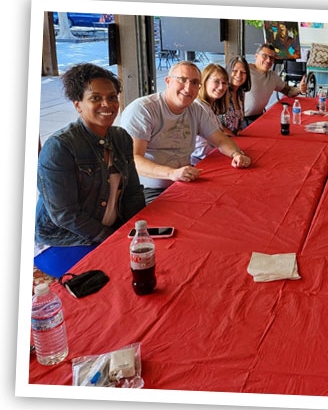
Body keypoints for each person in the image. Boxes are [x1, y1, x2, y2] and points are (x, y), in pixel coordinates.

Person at [35, 63, 146, 277]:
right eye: (96, 98)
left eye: (112, 97)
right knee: (113, 280)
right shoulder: (61, 147)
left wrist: (136, 230)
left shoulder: (121, 137)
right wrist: (112, 238)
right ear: (78, 105)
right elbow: (64, 214)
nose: (107, 104)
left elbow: (133, 192)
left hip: (114, 231)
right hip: (64, 240)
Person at [120, 61, 251, 204]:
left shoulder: (196, 109)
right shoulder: (143, 109)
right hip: (147, 189)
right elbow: (133, 160)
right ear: (168, 81)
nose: (188, 88)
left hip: (184, 182)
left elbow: (220, 140)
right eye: (182, 80)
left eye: (195, 83)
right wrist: (172, 173)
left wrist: (236, 154)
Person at [191, 60, 250, 164]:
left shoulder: (211, 107)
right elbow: (200, 149)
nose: (221, 87)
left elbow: (220, 139)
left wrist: (235, 153)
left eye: (224, 83)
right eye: (216, 81)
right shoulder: (197, 107)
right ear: (204, 81)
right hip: (201, 163)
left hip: (212, 157)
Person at [243, 43, 307, 127]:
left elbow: (288, 91)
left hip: (259, 118)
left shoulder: (272, 76)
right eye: (264, 56)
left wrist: (299, 89)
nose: (268, 60)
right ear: (256, 56)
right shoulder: (244, 71)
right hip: (241, 120)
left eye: (271, 58)